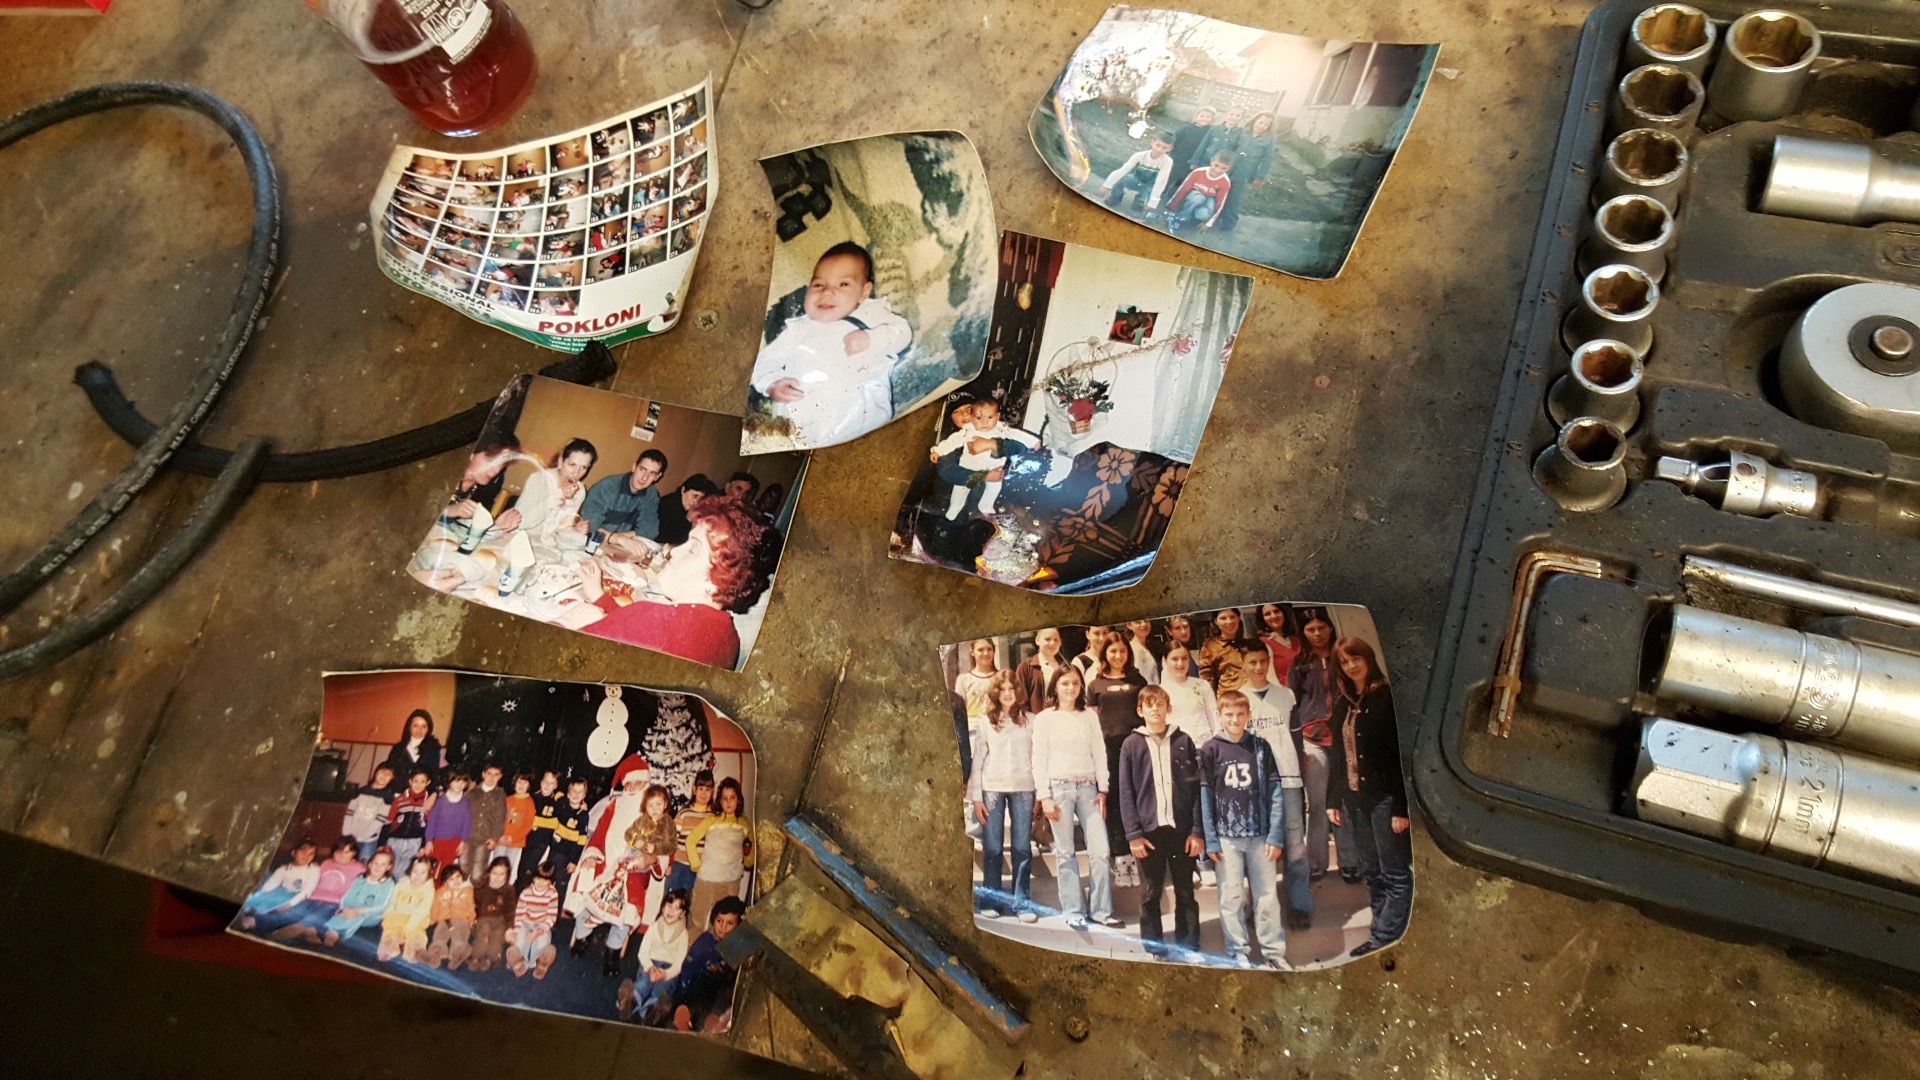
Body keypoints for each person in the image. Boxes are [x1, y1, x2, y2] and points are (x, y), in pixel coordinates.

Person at [571, 496, 781, 670]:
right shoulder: (730, 638)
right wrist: (599, 596)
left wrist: (570, 623)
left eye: (693, 549)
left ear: (719, 581)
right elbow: (637, 635)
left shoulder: (651, 620)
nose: (675, 552)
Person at [752, 241, 914, 447]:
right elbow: (764, 361)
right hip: (797, 426)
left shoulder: (872, 314)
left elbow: (903, 333)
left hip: (860, 423)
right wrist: (771, 383)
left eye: (843, 284)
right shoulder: (798, 329)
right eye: (818, 285)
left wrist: (871, 339)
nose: (827, 292)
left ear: (864, 292)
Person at [1325, 637, 1413, 957]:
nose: (1351, 666)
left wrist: (1401, 807)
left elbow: (1399, 757)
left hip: (1384, 800)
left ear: (1368, 658)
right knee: (1371, 871)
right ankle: (1382, 930)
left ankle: (1384, 935)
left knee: (1394, 872)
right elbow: (1338, 755)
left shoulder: (1386, 697)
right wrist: (1332, 800)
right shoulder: (1344, 702)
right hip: (1355, 801)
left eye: (1355, 658)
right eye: (1344, 662)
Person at [1199, 692, 1291, 970]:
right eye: (1228, 714)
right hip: (1226, 838)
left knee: (1267, 897)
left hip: (1260, 835)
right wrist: (1210, 840)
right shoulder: (1210, 749)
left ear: (1249, 715)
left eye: (1240, 714)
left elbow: (1276, 793)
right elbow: (1205, 797)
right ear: (1219, 715)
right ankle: (1237, 951)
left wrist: (1275, 835)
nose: (1235, 720)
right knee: (1231, 897)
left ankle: (1273, 952)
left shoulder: (1260, 747)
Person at [1030, 667, 1120, 930]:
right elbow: (1039, 759)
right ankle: (1073, 910)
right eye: (1065, 683)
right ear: (1055, 687)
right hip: (1059, 789)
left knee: (1100, 851)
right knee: (1065, 851)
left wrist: (1103, 789)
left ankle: (1101, 910)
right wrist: (1044, 796)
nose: (1070, 688)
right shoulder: (1045, 719)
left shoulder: (1089, 716)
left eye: (1075, 683)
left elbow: (1099, 753)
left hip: (1089, 789)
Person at [1118, 686, 1203, 957]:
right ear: (1140, 710)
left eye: (1160, 704)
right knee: (1150, 893)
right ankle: (1155, 947)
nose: (1155, 709)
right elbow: (1126, 791)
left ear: (1169, 708)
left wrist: (1197, 831)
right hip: (1148, 833)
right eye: (1149, 704)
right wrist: (1133, 834)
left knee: (1185, 891)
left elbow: (1195, 789)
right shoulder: (1131, 745)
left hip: (1181, 830)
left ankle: (1188, 945)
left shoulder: (1183, 740)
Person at [1236, 645, 1312, 926]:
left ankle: (1299, 905)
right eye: (1252, 662)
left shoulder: (1285, 695)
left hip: (1288, 778)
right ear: (1243, 664)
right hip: (1255, 783)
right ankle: (1262, 909)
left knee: (1294, 845)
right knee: (1258, 847)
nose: (1258, 667)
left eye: (1262, 661)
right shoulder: (1238, 698)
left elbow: (1296, 736)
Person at [1289, 608, 1356, 883]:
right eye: (1310, 629)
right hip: (1312, 739)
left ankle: (1350, 862)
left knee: (1344, 801)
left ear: (1330, 627)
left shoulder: (1343, 658)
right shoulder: (1299, 663)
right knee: (1316, 804)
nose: (1317, 634)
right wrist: (1298, 748)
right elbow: (1292, 706)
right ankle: (1316, 863)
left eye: (1321, 627)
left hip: (1343, 738)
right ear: (1303, 632)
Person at [969, 671, 1036, 922]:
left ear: (1019, 692)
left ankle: (1022, 903)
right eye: (1003, 689)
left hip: (1024, 787)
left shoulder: (1031, 720)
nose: (1007, 693)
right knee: (993, 847)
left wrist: (1041, 794)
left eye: (1012, 688)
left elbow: (1037, 757)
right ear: (996, 693)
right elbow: (978, 760)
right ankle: (992, 901)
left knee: (1022, 847)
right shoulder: (986, 722)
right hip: (992, 787)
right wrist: (977, 797)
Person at [1086, 637, 1147, 863]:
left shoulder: (1138, 681)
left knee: (1138, 796)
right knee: (1114, 799)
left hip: (1136, 747)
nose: (1118, 656)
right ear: (1105, 654)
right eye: (1113, 651)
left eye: (1122, 651)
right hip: (1108, 750)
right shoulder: (1095, 684)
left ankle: (1141, 851)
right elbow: (1092, 722)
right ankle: (1120, 854)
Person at [929, 398, 1040, 520]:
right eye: (956, 412)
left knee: (993, 489)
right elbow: (951, 448)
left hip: (994, 469)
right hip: (969, 470)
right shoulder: (966, 431)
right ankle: (954, 508)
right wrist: (938, 451)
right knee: (959, 493)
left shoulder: (1000, 428)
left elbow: (1017, 442)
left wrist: (991, 444)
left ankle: (986, 506)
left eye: (968, 408)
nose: (964, 414)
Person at [665, 895, 745, 1032]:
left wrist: (723, 971)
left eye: (730, 923)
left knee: (728, 990)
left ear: (738, 926)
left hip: (718, 994)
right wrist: (680, 1000)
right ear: (713, 920)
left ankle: (709, 1022)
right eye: (719, 921)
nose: (723, 927)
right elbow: (688, 970)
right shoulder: (706, 940)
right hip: (697, 988)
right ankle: (684, 1015)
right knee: (700, 985)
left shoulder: (737, 946)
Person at [686, 777, 752, 933]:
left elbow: (753, 847)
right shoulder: (712, 819)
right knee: (696, 920)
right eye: (724, 798)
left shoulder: (744, 823)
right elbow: (691, 840)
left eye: (732, 798)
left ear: (738, 800)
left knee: (720, 927)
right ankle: (691, 947)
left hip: (729, 883)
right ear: (720, 800)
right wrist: (696, 864)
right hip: (706, 879)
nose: (728, 802)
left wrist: (748, 859)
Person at [267, 839, 365, 942]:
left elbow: (363, 888)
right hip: (313, 897)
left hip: (335, 902)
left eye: (346, 852)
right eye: (339, 851)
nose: (341, 855)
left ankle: (297, 928)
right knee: (292, 913)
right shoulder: (326, 863)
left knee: (318, 915)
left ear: (354, 853)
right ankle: (308, 932)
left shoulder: (359, 868)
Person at [618, 889, 691, 1023]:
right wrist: (650, 967)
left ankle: (652, 1012)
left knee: (661, 989)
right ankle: (630, 1001)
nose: (671, 911)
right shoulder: (654, 927)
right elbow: (643, 952)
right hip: (650, 963)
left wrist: (666, 974)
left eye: (676, 908)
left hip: (668, 969)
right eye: (669, 905)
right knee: (644, 983)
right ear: (663, 907)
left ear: (682, 914)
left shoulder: (683, 934)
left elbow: (679, 964)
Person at [580, 449, 669, 556]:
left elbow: (650, 530)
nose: (645, 477)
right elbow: (589, 524)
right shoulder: (608, 486)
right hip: (588, 544)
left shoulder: (650, 494)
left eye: (652, 473)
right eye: (642, 469)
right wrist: (617, 538)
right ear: (634, 467)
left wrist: (622, 538)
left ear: (657, 477)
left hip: (617, 547)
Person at [509, 438, 597, 542]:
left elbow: (562, 527)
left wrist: (575, 528)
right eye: (572, 465)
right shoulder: (539, 479)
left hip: (548, 544)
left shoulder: (580, 491)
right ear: (560, 461)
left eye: (584, 467)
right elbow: (520, 523)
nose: (576, 473)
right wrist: (558, 496)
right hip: (522, 538)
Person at [441, 432, 523, 534]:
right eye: (491, 460)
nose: (496, 470)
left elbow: (468, 530)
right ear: (471, 453)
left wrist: (495, 527)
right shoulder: (442, 474)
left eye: (502, 464)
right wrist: (447, 510)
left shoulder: (492, 483)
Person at [237, 839, 319, 930]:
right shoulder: (284, 869)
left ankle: (254, 919)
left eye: (311, 854)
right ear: (294, 853)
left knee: (277, 908)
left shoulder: (313, 869)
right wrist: (262, 894)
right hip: (282, 892)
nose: (306, 856)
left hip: (298, 896)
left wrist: (291, 904)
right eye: (303, 852)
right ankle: (246, 911)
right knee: (261, 897)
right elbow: (271, 884)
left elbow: (308, 890)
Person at [321, 848, 396, 947]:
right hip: (352, 909)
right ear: (370, 864)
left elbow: (382, 906)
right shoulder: (361, 879)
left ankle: (337, 933)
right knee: (343, 915)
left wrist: (359, 911)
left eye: (383, 865)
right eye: (376, 863)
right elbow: (348, 896)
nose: (378, 867)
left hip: (371, 915)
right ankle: (331, 931)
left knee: (357, 917)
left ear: (388, 867)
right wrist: (345, 908)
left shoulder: (388, 884)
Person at [1215, 112, 1277, 232]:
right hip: (1230, 168)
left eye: (1266, 125)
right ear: (1254, 121)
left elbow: (1268, 159)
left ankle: (1229, 223)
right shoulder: (1243, 132)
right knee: (1220, 192)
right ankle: (1216, 216)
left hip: (1245, 172)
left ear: (1269, 127)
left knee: (1233, 198)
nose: (1261, 126)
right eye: (1260, 122)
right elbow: (1232, 147)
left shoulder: (1269, 140)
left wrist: (1260, 176)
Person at [1098, 132, 1178, 214]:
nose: (1159, 150)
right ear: (1152, 142)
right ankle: (1116, 196)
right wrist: (1106, 186)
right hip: (1135, 180)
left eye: (1164, 148)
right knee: (1122, 177)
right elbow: (1123, 170)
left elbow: (1161, 181)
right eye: (1158, 145)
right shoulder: (1139, 156)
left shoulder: (1167, 162)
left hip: (1148, 186)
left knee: (1140, 204)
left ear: (1170, 148)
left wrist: (1153, 202)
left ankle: (1140, 199)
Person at [378, 854, 437, 964]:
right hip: (397, 916)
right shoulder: (401, 884)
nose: (418, 876)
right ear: (410, 871)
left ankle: (418, 953)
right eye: (415, 871)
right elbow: (392, 901)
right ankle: (387, 949)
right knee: (391, 933)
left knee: (417, 936)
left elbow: (422, 911)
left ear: (429, 874)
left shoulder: (429, 890)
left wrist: (408, 928)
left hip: (415, 920)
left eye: (422, 873)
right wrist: (388, 914)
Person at [507, 861, 562, 979]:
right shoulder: (526, 892)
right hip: (526, 922)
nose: (541, 882)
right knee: (521, 940)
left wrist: (540, 931)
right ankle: (520, 961)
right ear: (533, 878)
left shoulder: (553, 893)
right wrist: (517, 930)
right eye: (538, 879)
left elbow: (551, 916)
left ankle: (540, 963)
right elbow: (520, 913)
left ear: (551, 882)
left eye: (545, 880)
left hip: (542, 924)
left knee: (542, 941)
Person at [667, 770, 715, 899]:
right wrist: (668, 864)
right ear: (694, 790)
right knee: (671, 900)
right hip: (678, 867)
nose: (704, 793)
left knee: (692, 904)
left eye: (708, 790)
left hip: (700, 870)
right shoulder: (684, 813)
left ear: (712, 792)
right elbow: (672, 840)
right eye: (701, 789)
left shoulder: (713, 817)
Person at [1159, 643, 1218, 744]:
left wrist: (1217, 744)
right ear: (1165, 660)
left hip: (1204, 745)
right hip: (1176, 745)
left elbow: (1214, 716)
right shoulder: (1160, 691)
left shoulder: (1201, 685)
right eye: (1174, 659)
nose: (1180, 663)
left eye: (1184, 658)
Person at [1165, 151, 1234, 233]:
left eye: (1224, 168)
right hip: (1194, 195)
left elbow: (1220, 203)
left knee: (1204, 214)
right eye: (1216, 165)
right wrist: (1171, 207)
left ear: (1229, 168)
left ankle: (1193, 218)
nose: (1217, 170)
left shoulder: (1225, 182)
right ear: (1212, 161)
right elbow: (1183, 189)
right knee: (1198, 199)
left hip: (1209, 198)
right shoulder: (1198, 172)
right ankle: (1182, 218)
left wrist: (1208, 223)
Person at [516, 771, 563, 890]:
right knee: (521, 869)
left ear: (556, 786)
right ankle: (517, 894)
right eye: (545, 782)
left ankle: (522, 893)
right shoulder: (533, 798)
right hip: (527, 839)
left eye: (551, 783)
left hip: (543, 843)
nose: (547, 785)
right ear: (541, 782)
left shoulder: (559, 801)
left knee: (528, 871)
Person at [424, 863, 476, 970]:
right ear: (445, 882)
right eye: (451, 879)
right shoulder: (440, 893)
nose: (456, 881)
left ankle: (457, 955)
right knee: (440, 935)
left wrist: (472, 919)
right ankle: (436, 954)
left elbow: (471, 907)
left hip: (462, 918)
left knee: (459, 938)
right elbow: (435, 907)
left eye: (458, 877)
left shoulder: (467, 891)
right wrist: (432, 919)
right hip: (446, 919)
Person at [469, 858, 518, 972]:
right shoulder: (481, 887)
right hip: (484, 918)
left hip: (500, 920)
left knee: (496, 938)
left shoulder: (509, 890)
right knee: (483, 935)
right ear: (489, 873)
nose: (497, 877)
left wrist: (509, 927)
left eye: (501, 874)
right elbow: (475, 904)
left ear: (507, 875)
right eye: (495, 873)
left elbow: (510, 910)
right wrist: (473, 918)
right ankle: (476, 957)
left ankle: (490, 959)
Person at [343, 765, 398, 863]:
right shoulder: (361, 791)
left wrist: (365, 836)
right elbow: (349, 813)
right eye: (382, 772)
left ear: (392, 779)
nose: (384, 776)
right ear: (376, 773)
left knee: (365, 864)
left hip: (369, 839)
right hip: (351, 837)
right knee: (346, 862)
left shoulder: (388, 797)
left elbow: (380, 820)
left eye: (388, 774)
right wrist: (346, 834)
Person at [463, 764, 509, 882]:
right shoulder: (472, 793)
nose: (492, 778)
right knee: (463, 865)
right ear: (483, 774)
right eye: (489, 774)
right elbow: (463, 814)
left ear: (500, 777)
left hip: (485, 839)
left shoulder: (500, 796)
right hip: (467, 837)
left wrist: (494, 838)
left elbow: (500, 818)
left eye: (496, 775)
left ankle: (476, 891)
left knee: (478, 872)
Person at [385, 768, 435, 877]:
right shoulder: (399, 800)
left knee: (406, 872)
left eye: (422, 781)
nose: (418, 785)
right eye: (416, 781)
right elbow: (388, 821)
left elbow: (429, 826)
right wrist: (382, 843)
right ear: (410, 781)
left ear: (428, 783)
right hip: (395, 840)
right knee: (390, 870)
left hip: (414, 842)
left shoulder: (429, 803)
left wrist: (424, 845)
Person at [548, 778, 592, 898]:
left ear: (584, 796)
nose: (576, 794)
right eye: (573, 791)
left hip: (567, 856)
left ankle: (557, 909)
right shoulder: (562, 804)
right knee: (547, 880)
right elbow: (557, 793)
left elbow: (581, 841)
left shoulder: (583, 815)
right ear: (568, 793)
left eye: (580, 792)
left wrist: (574, 861)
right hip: (553, 851)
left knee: (560, 887)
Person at [422, 770, 473, 871]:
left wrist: (462, 842)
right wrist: (429, 841)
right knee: (432, 867)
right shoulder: (440, 801)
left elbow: (467, 823)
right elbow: (432, 821)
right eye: (456, 781)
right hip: (437, 841)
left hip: (454, 841)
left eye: (463, 782)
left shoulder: (465, 803)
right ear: (449, 782)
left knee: (446, 869)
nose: (460, 785)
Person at [1197, 608, 1255, 693]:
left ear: (1239, 618)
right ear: (1215, 621)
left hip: (1251, 695)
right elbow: (1206, 679)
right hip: (1227, 696)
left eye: (1232, 617)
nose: (1229, 621)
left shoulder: (1246, 644)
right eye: (1223, 618)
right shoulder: (1210, 646)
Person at [655, 474, 719, 547]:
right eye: (694, 496)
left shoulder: (687, 507)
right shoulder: (669, 505)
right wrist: (688, 520)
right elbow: (672, 540)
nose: (696, 502)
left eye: (700, 499)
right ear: (683, 490)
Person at [382, 709, 443, 785]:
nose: (419, 730)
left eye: (424, 726)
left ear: (428, 729)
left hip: (422, 791)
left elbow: (434, 775)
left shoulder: (433, 748)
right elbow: (390, 771)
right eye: (415, 726)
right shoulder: (398, 748)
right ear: (409, 726)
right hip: (398, 789)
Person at [1015, 627, 1067, 712]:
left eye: (1056, 640)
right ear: (1037, 640)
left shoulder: (1065, 667)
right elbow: (1020, 699)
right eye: (1047, 639)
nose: (1052, 643)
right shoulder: (1025, 668)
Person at [498, 772, 536, 880]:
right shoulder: (508, 799)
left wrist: (513, 838)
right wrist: (500, 836)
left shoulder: (529, 803)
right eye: (519, 782)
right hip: (501, 839)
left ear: (529, 785)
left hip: (515, 842)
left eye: (525, 783)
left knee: (507, 868)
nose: (521, 785)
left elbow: (527, 825)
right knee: (496, 865)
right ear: (514, 783)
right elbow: (499, 819)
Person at [1259, 604, 1302, 688]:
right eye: (1267, 614)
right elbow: (1269, 677)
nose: (1273, 616)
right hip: (1283, 691)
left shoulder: (1296, 641)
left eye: (1277, 611)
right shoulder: (1264, 643)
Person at [1195, 107, 1247, 173]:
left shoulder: (1240, 133)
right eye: (1231, 114)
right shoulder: (1214, 129)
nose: (1233, 117)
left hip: (1222, 167)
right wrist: (1195, 161)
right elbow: (1203, 145)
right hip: (1205, 162)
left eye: (1238, 116)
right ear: (1226, 114)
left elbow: (1236, 152)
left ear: (1242, 118)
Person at [1169, 106, 1216, 178]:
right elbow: (1175, 139)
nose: (1204, 119)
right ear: (1196, 117)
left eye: (1208, 117)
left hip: (1194, 161)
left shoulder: (1211, 132)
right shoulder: (1186, 129)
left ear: (1212, 120)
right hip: (1178, 157)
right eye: (1202, 116)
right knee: (1171, 176)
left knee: (1185, 179)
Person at [1125, 620, 1160, 685]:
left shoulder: (1150, 647)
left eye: (1146, 621)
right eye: (1138, 622)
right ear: (1129, 625)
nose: (1144, 624)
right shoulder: (1131, 649)